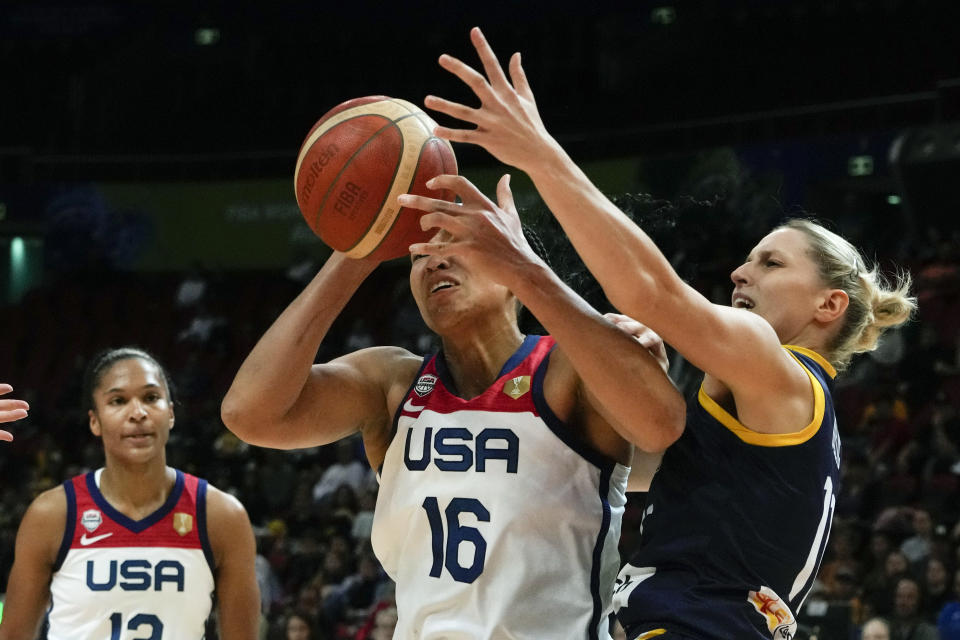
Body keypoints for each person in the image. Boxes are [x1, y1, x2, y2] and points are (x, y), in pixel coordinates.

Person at [420, 27, 916, 639]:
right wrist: (627, 373)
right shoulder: (770, 411)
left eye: (771, 262)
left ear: (828, 304)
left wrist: (539, 157)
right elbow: (640, 468)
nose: (740, 270)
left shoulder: (778, 370)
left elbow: (648, 292)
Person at [221, 178, 685, 637]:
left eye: (457, 244)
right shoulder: (392, 382)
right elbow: (250, 414)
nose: (433, 259)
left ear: (510, 268)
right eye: (418, 254)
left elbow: (660, 427)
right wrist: (356, 251)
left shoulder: (570, 368)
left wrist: (528, 271)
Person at [0, 348, 260, 640]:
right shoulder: (52, 515)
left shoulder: (222, 517)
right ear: (94, 421)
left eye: (151, 398)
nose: (138, 413)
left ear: (171, 413)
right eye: (118, 401)